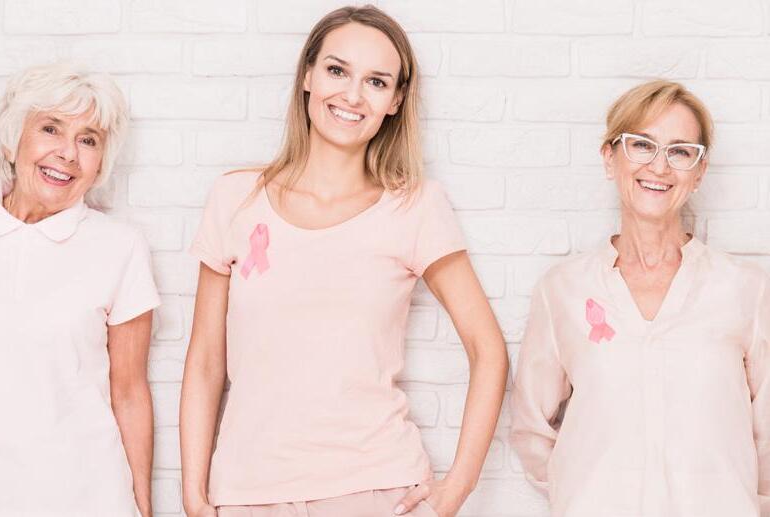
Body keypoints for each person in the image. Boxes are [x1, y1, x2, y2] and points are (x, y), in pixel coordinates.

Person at [179, 5, 508, 517]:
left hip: (378, 488)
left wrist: (457, 488)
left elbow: (488, 349)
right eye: (337, 70)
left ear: (395, 101)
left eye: (376, 82)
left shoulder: (415, 207)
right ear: (307, 76)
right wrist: (194, 497)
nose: (353, 95)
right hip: (246, 493)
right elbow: (204, 361)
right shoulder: (235, 198)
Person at [510, 80, 770, 517]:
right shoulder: (563, 290)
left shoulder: (746, 289)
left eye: (680, 151)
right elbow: (531, 429)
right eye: (642, 145)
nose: (659, 166)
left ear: (700, 171)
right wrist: (582, 495)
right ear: (609, 157)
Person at [0, 62, 160, 517]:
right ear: (12, 139)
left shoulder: (120, 248)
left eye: (88, 140)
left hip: (88, 500)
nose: (68, 153)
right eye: (51, 129)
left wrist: (142, 505)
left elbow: (129, 391)